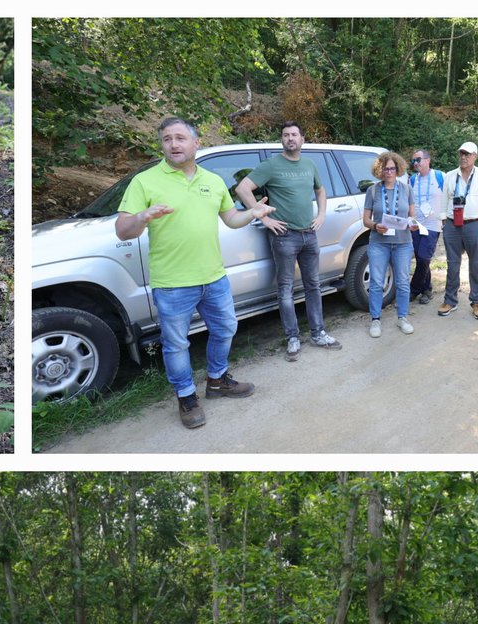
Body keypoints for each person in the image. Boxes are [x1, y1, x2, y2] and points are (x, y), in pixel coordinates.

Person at [115, 117, 274, 429]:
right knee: (176, 344)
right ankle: (186, 397)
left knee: (226, 328)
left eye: (180, 138)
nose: (173, 144)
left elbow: (230, 219)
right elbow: (123, 230)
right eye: (167, 139)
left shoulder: (213, 181)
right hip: (172, 282)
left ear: (195, 143)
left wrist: (251, 213)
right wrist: (143, 217)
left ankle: (216, 380)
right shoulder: (145, 182)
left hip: (213, 277)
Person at [234, 121, 341, 360]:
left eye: (294, 134)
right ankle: (293, 338)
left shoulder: (310, 164)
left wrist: (322, 213)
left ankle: (318, 333)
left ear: (302, 139)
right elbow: (243, 189)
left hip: (309, 234)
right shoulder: (271, 165)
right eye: (286, 135)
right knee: (286, 289)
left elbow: (320, 190)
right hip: (284, 236)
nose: (290, 138)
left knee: (314, 285)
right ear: (281, 140)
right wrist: (262, 217)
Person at [438, 141, 478, 320]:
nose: (463, 157)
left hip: (474, 224)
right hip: (452, 224)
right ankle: (450, 300)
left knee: (476, 263)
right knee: (452, 264)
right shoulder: (450, 175)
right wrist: (443, 219)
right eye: (461, 154)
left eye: (468, 154)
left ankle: (477, 301)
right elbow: (444, 199)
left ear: (475, 156)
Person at [362, 151, 416, 338]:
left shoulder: (407, 189)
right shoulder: (373, 190)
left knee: (402, 282)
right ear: (380, 170)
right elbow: (365, 220)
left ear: (398, 169)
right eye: (386, 169)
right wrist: (376, 226)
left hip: (402, 242)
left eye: (393, 168)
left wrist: (413, 224)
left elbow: (411, 216)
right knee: (377, 282)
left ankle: (403, 317)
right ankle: (375, 320)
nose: (389, 172)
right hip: (379, 243)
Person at [408, 149, 444, 305]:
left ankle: (413, 290)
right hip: (416, 225)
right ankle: (427, 289)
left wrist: (447, 217)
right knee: (420, 258)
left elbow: (451, 195)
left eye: (418, 159)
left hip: (433, 224)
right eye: (413, 161)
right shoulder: (412, 180)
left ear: (428, 160)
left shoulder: (440, 176)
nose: (415, 163)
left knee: (424, 257)